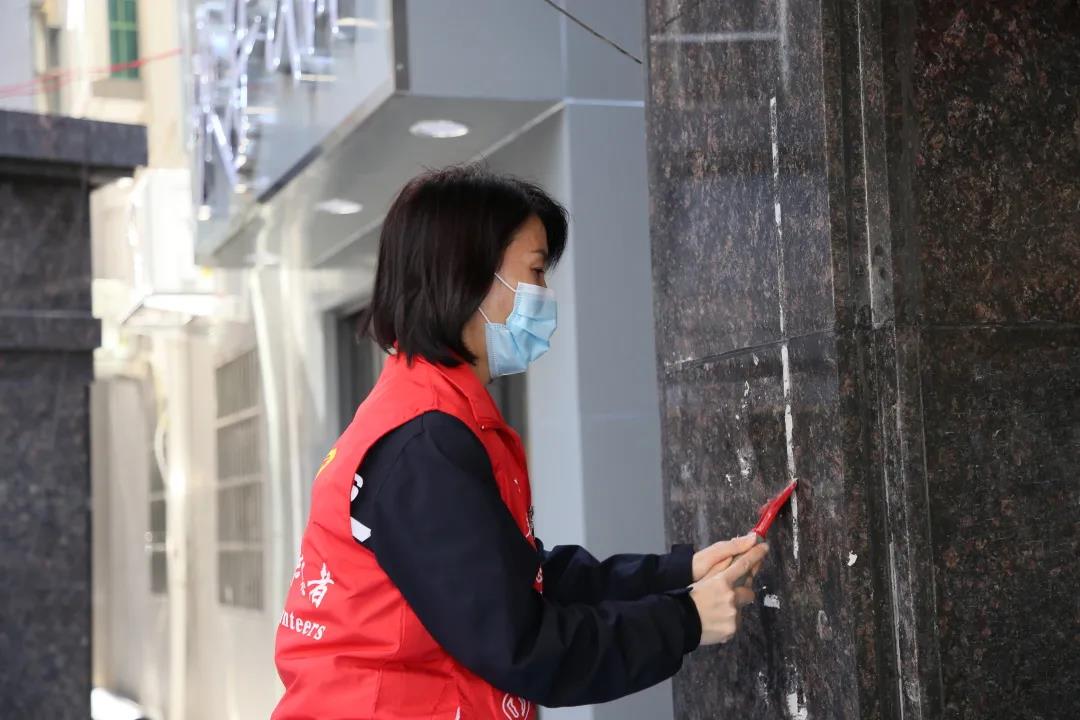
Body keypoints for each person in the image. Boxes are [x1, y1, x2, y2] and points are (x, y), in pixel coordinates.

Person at [272, 165, 770, 720]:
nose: (545, 295)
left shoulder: (434, 414)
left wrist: (680, 573)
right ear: (467, 273)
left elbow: (520, 577)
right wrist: (686, 620)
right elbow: (523, 645)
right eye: (535, 271)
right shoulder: (423, 443)